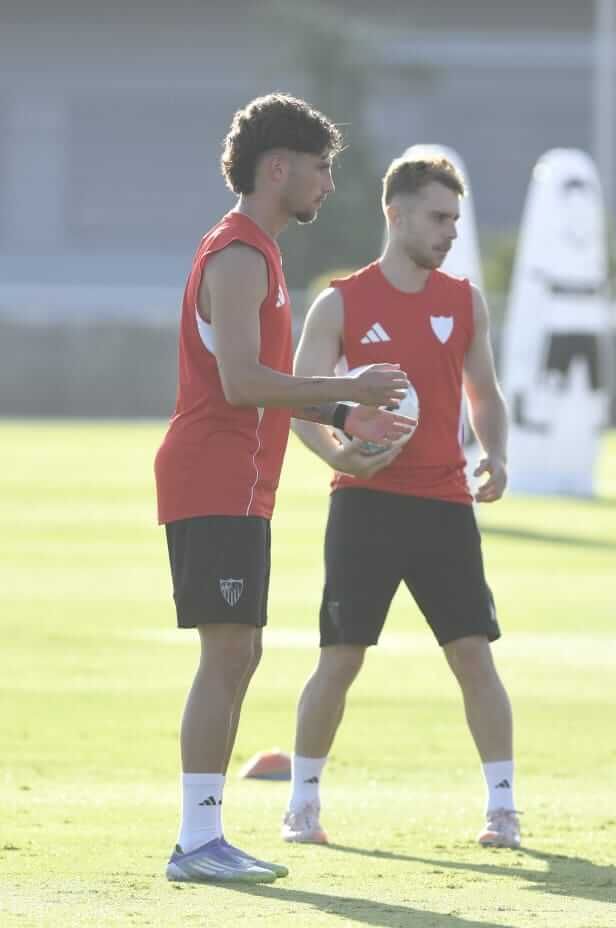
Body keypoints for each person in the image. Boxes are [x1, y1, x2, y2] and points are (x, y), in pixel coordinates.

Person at [154, 93, 415, 883]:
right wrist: (348, 394)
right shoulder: (237, 255)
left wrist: (341, 411)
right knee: (228, 651)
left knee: (241, 651)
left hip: (240, 483)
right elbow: (240, 382)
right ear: (278, 169)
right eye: (320, 168)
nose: (329, 185)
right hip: (214, 475)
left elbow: (257, 384)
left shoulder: (257, 253)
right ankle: (196, 842)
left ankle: (207, 837)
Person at [279, 154, 519, 850]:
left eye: (455, 219)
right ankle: (303, 804)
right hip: (364, 505)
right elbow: (299, 406)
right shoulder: (342, 302)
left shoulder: (464, 300)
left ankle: (503, 807)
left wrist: (494, 455)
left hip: (444, 503)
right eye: (438, 217)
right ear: (397, 213)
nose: (449, 231)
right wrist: (339, 455)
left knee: (473, 655)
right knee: (341, 657)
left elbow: (486, 394)